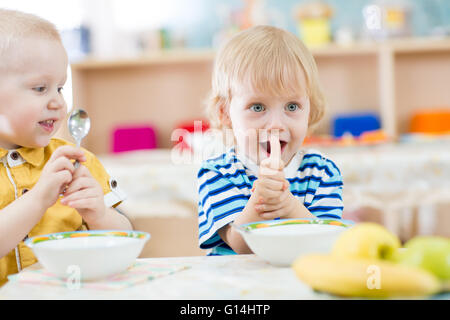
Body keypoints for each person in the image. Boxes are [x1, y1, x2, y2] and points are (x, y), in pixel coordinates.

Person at [0, 9, 132, 285]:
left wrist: (99, 214)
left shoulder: (78, 162)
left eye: (60, 88)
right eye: (40, 88)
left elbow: (126, 239)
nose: (58, 102)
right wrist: (38, 199)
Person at [198, 25, 343, 255]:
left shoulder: (322, 172)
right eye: (258, 107)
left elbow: (327, 243)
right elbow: (240, 244)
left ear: (310, 109)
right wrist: (262, 199)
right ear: (225, 112)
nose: (276, 124)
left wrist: (290, 207)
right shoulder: (217, 172)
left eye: (292, 106)